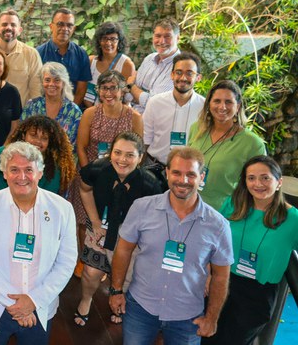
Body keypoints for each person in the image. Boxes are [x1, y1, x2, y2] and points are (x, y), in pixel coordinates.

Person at [108, 147, 234, 345]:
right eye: (176, 172)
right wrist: (116, 291)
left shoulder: (218, 225)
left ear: (201, 177)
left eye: (191, 174)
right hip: (140, 308)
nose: (183, 180)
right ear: (167, 173)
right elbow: (123, 250)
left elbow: (221, 275)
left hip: (188, 317)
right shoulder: (142, 207)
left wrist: (212, 318)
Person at [0, 142, 77, 345]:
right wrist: (18, 305)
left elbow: (66, 262)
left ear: (40, 173)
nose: (22, 176)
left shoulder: (62, 209)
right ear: (4, 173)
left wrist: (33, 301)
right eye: (14, 170)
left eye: (28, 170)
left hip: (39, 306)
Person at [203, 156, 298, 345]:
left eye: (265, 178)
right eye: (251, 178)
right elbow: (212, 241)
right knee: (204, 337)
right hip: (221, 281)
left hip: (256, 295)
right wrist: (207, 272)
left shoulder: (292, 219)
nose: (258, 184)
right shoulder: (233, 204)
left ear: (279, 182)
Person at [75, 132, 162, 327]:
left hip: (132, 233)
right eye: (117, 152)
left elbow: (155, 218)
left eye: (130, 155)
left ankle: (120, 302)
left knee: (128, 274)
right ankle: (86, 299)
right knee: (91, 271)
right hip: (101, 223)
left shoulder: (150, 184)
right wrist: (94, 220)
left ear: (140, 158)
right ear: (110, 153)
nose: (122, 160)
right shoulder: (97, 169)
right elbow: (85, 189)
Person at [188, 80, 266, 211]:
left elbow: (259, 187)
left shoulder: (252, 144)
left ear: (238, 106)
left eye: (228, 102)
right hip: (189, 204)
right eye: (217, 101)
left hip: (224, 212)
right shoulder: (196, 128)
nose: (222, 107)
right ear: (209, 104)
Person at [142, 52, 205, 179]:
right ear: (172, 75)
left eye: (189, 73)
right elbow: (145, 140)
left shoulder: (205, 107)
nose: (183, 78)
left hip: (187, 174)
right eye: (179, 72)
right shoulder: (155, 102)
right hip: (154, 169)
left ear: (198, 77)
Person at [0, 115, 76, 197]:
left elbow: (49, 198)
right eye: (33, 135)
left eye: (44, 138)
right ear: (23, 135)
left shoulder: (54, 167)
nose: (38, 141)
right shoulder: (2, 154)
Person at [0, 9, 43, 104]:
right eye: (4, 24)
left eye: (13, 25)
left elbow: (37, 90)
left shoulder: (31, 54)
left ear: (20, 30)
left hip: (19, 112)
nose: (9, 27)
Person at [77, 70, 143, 168]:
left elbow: (138, 151)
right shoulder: (89, 114)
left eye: (113, 88)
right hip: (91, 169)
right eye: (104, 88)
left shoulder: (135, 117)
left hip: (121, 169)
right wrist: (87, 173)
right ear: (98, 91)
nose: (108, 93)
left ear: (122, 91)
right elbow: (81, 147)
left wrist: (123, 174)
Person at [35, 8, 90, 106]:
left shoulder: (81, 54)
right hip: (44, 110)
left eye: (69, 25)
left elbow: (81, 90)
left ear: (74, 29)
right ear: (51, 26)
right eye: (60, 24)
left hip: (72, 110)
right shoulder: (38, 53)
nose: (65, 29)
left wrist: (69, 111)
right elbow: (35, 87)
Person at [126, 17, 181, 114]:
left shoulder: (180, 66)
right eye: (158, 36)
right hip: (133, 115)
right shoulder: (149, 59)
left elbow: (154, 104)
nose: (162, 41)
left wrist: (131, 86)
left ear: (178, 38)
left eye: (167, 36)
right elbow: (128, 96)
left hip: (156, 121)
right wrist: (137, 94)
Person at [20, 62, 82, 146]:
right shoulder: (31, 106)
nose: (51, 84)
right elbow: (22, 134)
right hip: (31, 153)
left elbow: (75, 144)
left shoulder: (74, 111)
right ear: (42, 82)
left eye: (57, 80)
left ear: (63, 83)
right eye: (47, 80)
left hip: (62, 154)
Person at [84, 22, 135, 107]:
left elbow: (126, 98)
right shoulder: (91, 61)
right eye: (104, 38)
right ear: (99, 41)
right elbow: (84, 91)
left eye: (113, 39)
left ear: (119, 41)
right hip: (92, 110)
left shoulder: (126, 64)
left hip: (117, 111)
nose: (108, 43)